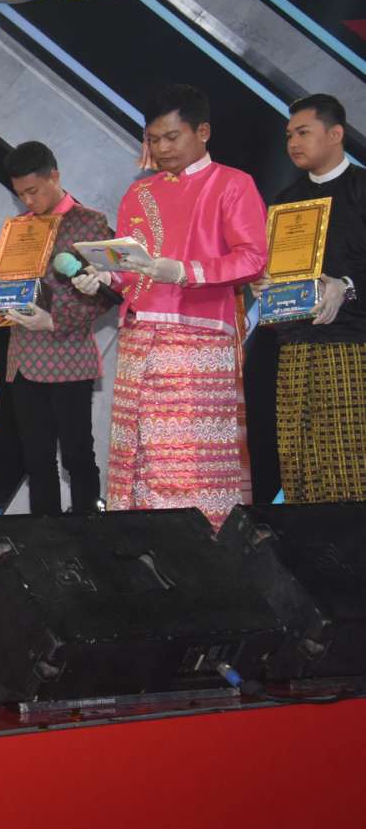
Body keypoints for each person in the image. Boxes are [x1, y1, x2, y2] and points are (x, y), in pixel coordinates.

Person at [72, 85, 266, 528]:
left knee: (187, 460)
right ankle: (145, 549)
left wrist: (183, 271)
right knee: (136, 455)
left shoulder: (233, 184)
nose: (161, 149)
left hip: (196, 340)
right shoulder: (139, 192)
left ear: (203, 132)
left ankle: (203, 550)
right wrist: (103, 279)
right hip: (138, 339)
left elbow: (253, 259)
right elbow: (130, 269)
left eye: (172, 137)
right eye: (153, 139)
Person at [0, 142, 115, 516]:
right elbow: (8, 292)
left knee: (77, 455)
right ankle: (44, 540)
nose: (27, 200)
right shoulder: (18, 227)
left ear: (54, 176)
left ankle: (86, 534)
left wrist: (54, 320)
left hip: (69, 357)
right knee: (37, 460)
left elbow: (104, 296)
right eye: (19, 194)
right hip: (23, 358)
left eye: (33, 191)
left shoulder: (90, 223)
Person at [254, 94, 366, 502]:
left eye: (303, 132)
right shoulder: (286, 200)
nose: (293, 143)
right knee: (299, 464)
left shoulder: (361, 189)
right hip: (294, 348)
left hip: (350, 347)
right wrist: (264, 285)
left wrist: (346, 286)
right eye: (289, 135)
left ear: (335, 134)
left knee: (349, 465)